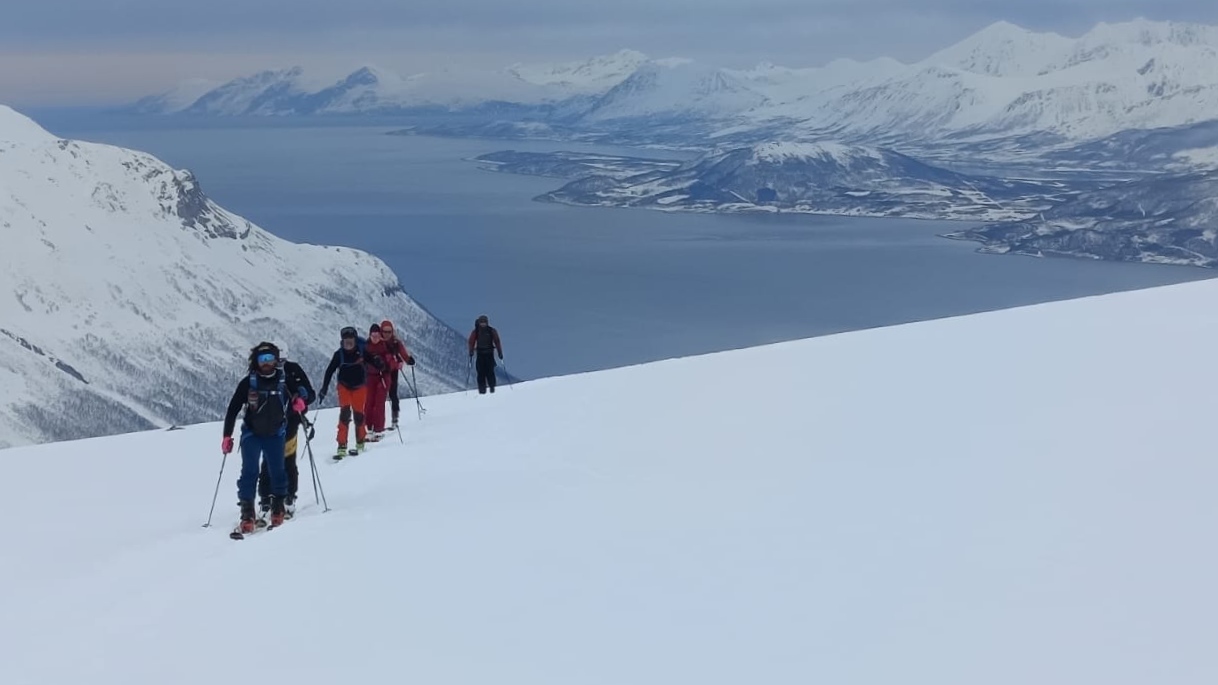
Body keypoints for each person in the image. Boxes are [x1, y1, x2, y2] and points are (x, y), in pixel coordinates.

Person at [221, 342, 309, 533]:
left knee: (278, 471)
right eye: (263, 359)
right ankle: (247, 512)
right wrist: (227, 435)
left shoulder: (284, 380)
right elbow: (233, 409)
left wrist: (300, 401)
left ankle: (277, 508)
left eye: (270, 359)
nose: (266, 363)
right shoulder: (248, 383)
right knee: (250, 472)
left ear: (276, 360)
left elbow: (299, 394)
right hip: (252, 434)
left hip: (276, 433)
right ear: (256, 361)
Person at [257, 355, 315, 519]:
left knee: (286, 460)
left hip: (289, 422)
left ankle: (288, 497)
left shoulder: (293, 370)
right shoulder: (263, 374)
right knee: (270, 462)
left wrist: (303, 398)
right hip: (270, 424)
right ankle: (266, 499)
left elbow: (311, 394)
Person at [318, 326, 369, 457]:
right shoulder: (339, 354)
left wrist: (379, 363)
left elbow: (372, 360)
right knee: (344, 415)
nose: (348, 343)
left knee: (359, 415)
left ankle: (360, 442)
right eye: (346, 341)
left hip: (360, 387)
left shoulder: (362, 352)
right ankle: (342, 445)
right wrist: (324, 388)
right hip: (344, 387)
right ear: (342, 341)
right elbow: (329, 371)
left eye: (351, 340)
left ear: (355, 340)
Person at [378, 319, 415, 428]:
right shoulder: (379, 342)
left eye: (389, 332)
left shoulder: (395, 343)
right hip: (380, 372)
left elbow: (403, 353)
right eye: (385, 331)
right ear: (381, 331)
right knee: (381, 396)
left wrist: (408, 360)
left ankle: (394, 420)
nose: (387, 334)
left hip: (392, 371)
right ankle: (380, 422)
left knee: (392, 394)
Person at [362, 323, 395, 440]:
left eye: (377, 335)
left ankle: (378, 429)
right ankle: (369, 427)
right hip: (370, 377)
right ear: (370, 335)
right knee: (369, 402)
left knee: (379, 402)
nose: (375, 338)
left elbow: (391, 361)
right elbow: (362, 361)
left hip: (383, 377)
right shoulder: (366, 346)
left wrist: (385, 365)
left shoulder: (385, 346)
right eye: (373, 335)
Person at [467, 314, 503, 394]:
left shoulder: (491, 331)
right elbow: (471, 342)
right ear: (479, 323)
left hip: (489, 354)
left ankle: (492, 388)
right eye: (481, 322)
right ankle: (482, 390)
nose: (483, 324)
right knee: (481, 373)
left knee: (490, 371)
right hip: (481, 354)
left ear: (487, 322)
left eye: (484, 322)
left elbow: (497, 341)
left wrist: (500, 352)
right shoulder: (476, 331)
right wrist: (471, 351)